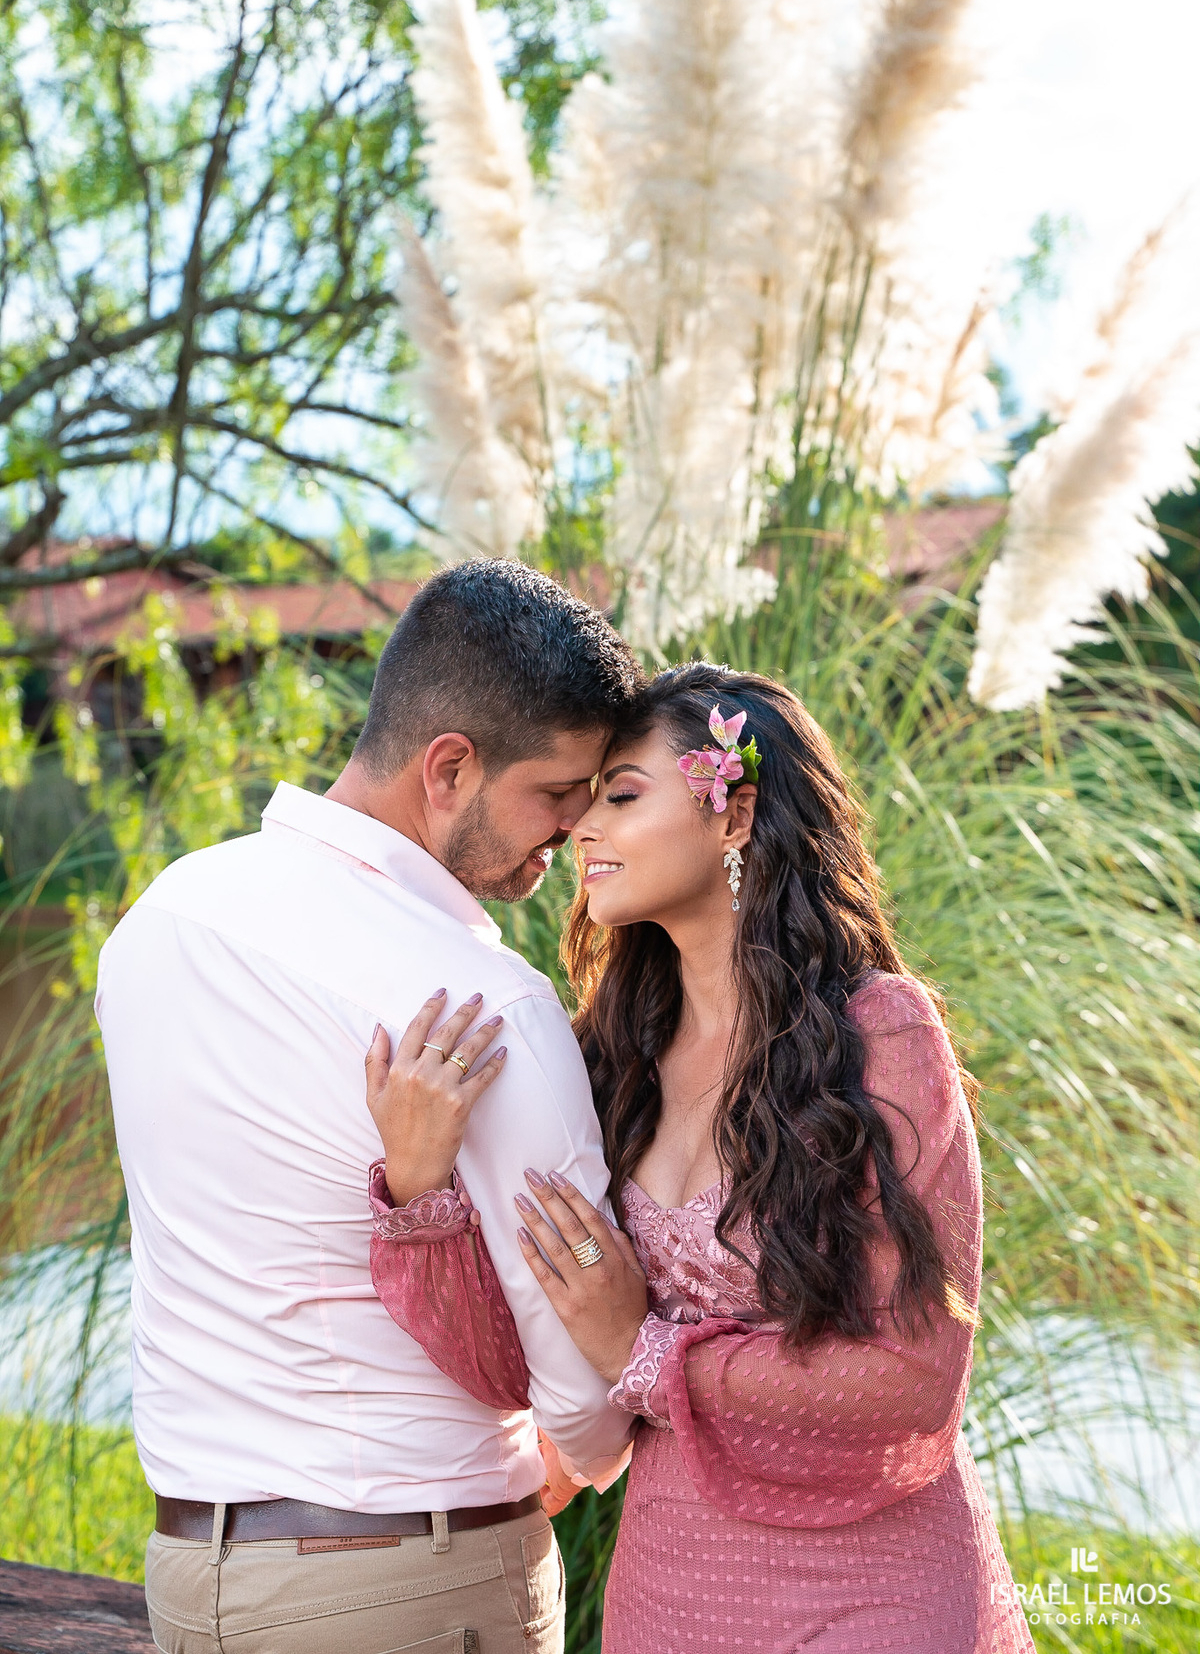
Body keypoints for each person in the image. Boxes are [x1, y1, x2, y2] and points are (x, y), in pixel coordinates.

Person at [366, 664, 1036, 1654]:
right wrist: (420, 1184)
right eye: (583, 801)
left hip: (874, 1586)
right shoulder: (601, 1057)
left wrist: (642, 1349)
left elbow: (914, 1374)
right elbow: (512, 1355)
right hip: (671, 1587)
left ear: (735, 815)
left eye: (623, 796)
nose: (582, 828)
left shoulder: (881, 1033)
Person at [96, 560, 645, 1654]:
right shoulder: (485, 1007)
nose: (571, 836)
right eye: (555, 793)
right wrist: (588, 1449)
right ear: (449, 766)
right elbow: (583, 1381)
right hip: (410, 1584)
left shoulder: (160, 919)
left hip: (192, 1579)